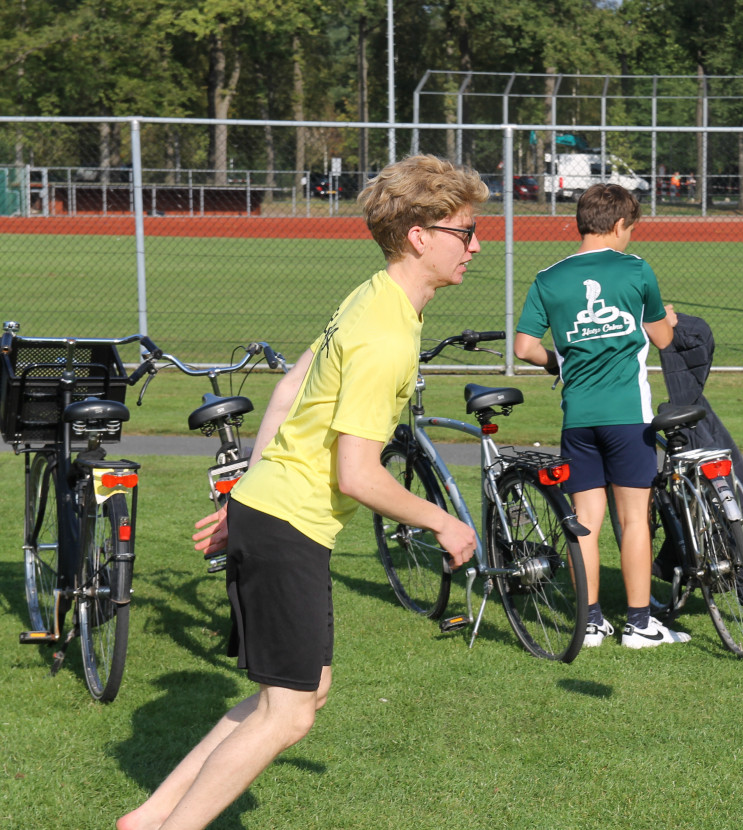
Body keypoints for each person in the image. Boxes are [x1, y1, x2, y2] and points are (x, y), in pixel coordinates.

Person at [117, 155, 486, 830]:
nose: (477, 245)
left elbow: (290, 390)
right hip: (290, 524)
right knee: (287, 713)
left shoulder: (373, 296)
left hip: (273, 512)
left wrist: (240, 498)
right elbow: (358, 475)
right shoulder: (385, 336)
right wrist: (446, 522)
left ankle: (150, 819)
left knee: (300, 694)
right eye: (465, 231)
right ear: (419, 236)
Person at [513, 182, 687, 650]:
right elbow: (663, 339)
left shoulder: (548, 277)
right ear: (617, 225)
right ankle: (638, 623)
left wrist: (559, 361)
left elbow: (524, 347)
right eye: (630, 228)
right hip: (629, 415)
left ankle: (589, 622)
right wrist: (667, 317)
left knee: (583, 521)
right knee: (634, 521)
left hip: (578, 419)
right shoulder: (635, 270)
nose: (630, 237)